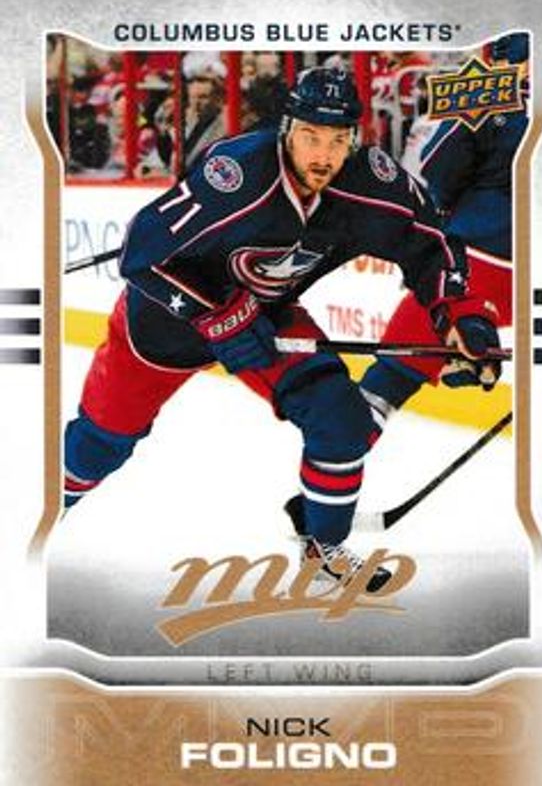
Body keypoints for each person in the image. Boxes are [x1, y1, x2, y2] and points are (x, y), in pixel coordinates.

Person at [64, 67, 501, 590]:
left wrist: (462, 313)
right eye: (311, 137)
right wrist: (219, 318)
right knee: (98, 447)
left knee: (341, 420)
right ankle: (41, 511)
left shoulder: (370, 182)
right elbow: (140, 254)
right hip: (163, 326)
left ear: (354, 138)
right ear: (287, 129)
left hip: (263, 316)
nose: (323, 155)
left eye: (338, 140)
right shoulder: (239, 173)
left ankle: (324, 550)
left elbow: (432, 244)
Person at [359, 33, 528, 432]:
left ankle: (337, 464)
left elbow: (439, 164)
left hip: (478, 261)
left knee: (389, 377)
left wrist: (445, 220)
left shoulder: (487, 89)